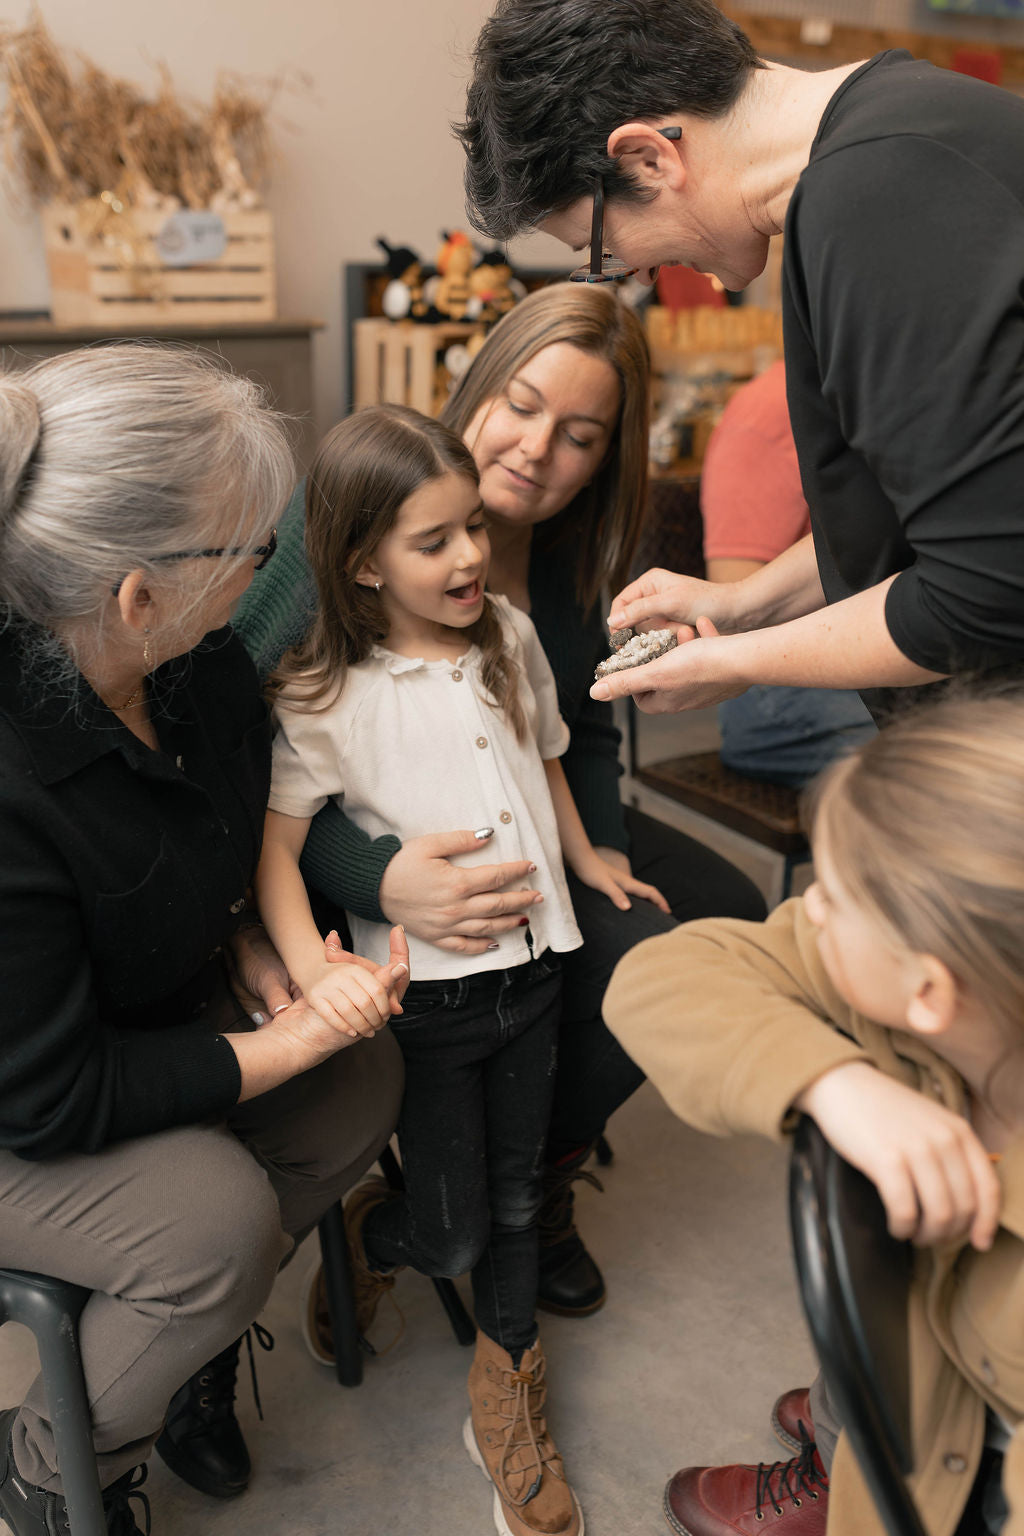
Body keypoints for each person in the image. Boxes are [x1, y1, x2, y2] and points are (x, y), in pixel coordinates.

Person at [233, 284, 767, 1334]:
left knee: (709, 914)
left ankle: (530, 1175)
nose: (535, 452)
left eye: (578, 436)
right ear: (479, 385)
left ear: (609, 454)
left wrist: (601, 850)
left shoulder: (573, 556)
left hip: (516, 806)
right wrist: (375, 873)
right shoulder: (356, 510)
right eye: (520, 405)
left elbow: (587, 722)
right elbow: (251, 749)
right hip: (354, 841)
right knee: (603, 955)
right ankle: (448, 1204)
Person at [0, 346, 407, 1536]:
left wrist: (250, 950)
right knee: (213, 1226)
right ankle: (48, 1461)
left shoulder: (195, 668)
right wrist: (283, 1041)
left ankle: (177, 1342)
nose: (268, 571)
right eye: (251, 550)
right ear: (137, 593)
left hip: (116, 1023)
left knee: (360, 1082)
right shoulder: (14, 782)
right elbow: (48, 1097)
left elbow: (206, 848)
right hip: (23, 1093)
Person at [256, 404, 667, 1536]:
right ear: (359, 560)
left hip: (534, 975)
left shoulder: (512, 640)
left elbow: (548, 762)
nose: (470, 556)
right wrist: (313, 969)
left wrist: (593, 861)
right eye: (432, 541)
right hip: (425, 1005)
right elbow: (278, 857)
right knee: (451, 1230)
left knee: (522, 1191)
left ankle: (507, 1380)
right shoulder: (319, 692)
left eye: (472, 529)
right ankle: (378, 1233)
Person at [459, 0, 1024, 723]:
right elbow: (949, 515)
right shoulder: (906, 124)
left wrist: (734, 660)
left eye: (600, 248)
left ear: (648, 158)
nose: (629, 272)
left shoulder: (875, 199)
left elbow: (982, 590)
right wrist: (745, 603)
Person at [602, 690, 1024, 1536]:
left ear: (929, 988)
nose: (810, 908)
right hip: (925, 1389)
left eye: (832, 896)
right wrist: (834, 1079)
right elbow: (661, 979)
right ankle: (853, 1425)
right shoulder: (946, 981)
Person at [701, 360, 875, 786]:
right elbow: (736, 617)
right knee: (944, 768)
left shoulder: (883, 394)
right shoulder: (767, 415)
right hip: (779, 679)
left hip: (869, 647)